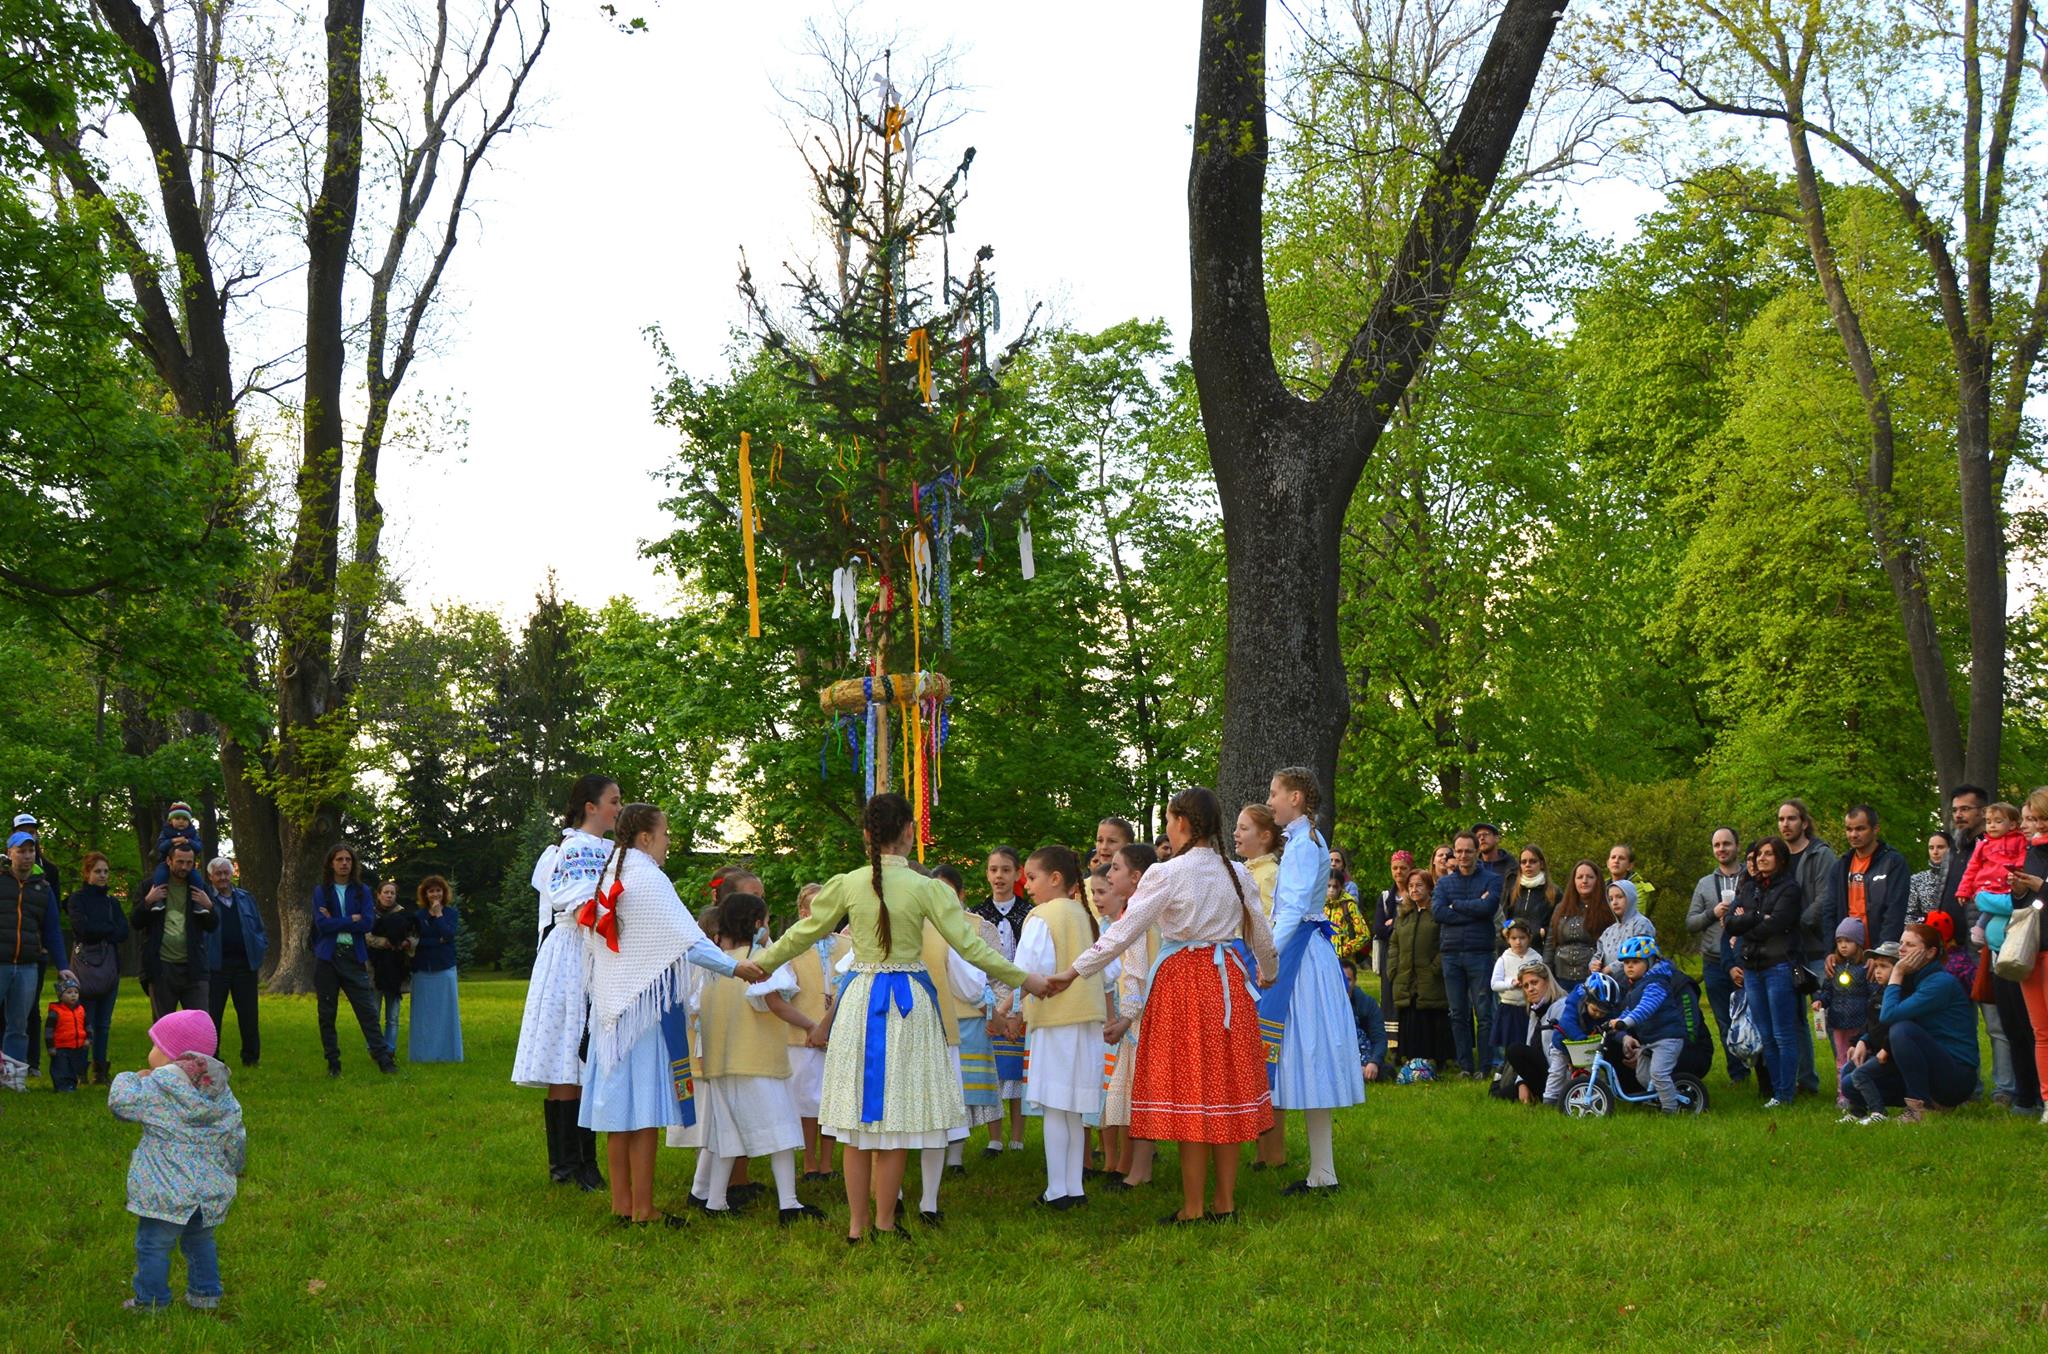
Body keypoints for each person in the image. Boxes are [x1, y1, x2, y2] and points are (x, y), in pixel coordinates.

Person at [751, 794, 1051, 1242]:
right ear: (909, 832)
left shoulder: (849, 883)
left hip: (859, 1001)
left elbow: (803, 932)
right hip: (909, 1002)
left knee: (855, 1124)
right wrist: (1027, 978)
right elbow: (972, 948)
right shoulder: (926, 887)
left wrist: (760, 962)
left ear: (867, 836)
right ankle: (886, 1223)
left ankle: (857, 1227)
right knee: (895, 1122)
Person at [1052, 786, 1277, 1226]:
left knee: (1193, 1091)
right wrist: (1268, 970)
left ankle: (1193, 1207)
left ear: (1183, 824)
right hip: (1227, 980)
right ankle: (1224, 1203)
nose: (1168, 830)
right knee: (1223, 1091)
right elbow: (1261, 935)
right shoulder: (1237, 873)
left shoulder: (1167, 874)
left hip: (1185, 985)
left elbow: (1123, 931)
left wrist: (1072, 971)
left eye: (1171, 821)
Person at [575, 805, 759, 1226]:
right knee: (642, 1116)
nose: (668, 842)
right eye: (665, 835)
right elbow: (687, 940)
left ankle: (622, 1204)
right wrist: (736, 966)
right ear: (644, 838)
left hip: (613, 1010)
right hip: (643, 1011)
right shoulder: (649, 878)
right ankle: (644, 1209)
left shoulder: (611, 873)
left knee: (619, 1115)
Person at [691, 882, 823, 1224]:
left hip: (720, 1065)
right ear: (756, 924)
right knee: (782, 1132)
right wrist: (810, 1025)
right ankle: (789, 1204)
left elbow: (696, 1011)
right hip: (759, 1063)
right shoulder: (758, 961)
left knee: (726, 1136)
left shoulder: (714, 966)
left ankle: (715, 1202)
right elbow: (775, 1003)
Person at [513, 774, 621, 1191]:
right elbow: (579, 906)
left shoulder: (613, 851)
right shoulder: (572, 849)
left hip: (601, 950)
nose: (618, 807)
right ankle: (565, 1165)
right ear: (590, 807)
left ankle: (586, 1161)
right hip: (575, 952)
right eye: (613, 800)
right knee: (568, 1049)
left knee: (589, 1055)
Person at [1259, 767, 1364, 1195]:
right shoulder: (1306, 841)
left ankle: (1324, 1171)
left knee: (1307, 1053)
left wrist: (1268, 957)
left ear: (1296, 798)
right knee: (1307, 1056)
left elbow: (1296, 908)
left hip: (1299, 956)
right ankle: (1323, 1169)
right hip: (1305, 952)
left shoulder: (1304, 844)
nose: (1270, 801)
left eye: (1274, 794)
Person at [111, 1010, 244, 1313]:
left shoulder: (158, 1088)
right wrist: (234, 1166)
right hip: (207, 1189)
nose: (150, 1051)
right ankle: (206, 1295)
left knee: (154, 1244)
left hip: (165, 1190)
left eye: (156, 1045)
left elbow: (120, 1104)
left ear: (171, 1055)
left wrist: (131, 1077)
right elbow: (235, 1135)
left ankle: (151, 1302)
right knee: (200, 1241)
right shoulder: (220, 1090)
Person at [1016, 844, 1108, 1210]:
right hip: (1085, 1022)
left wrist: (1007, 1007)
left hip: (1056, 1022)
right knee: (1071, 1109)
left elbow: (1025, 968)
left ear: (1055, 879)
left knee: (1055, 1107)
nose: (1028, 886)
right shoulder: (1085, 917)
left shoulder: (1042, 916)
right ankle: (1073, 1187)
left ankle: (1057, 1189)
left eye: (1033, 877)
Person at [1839, 922, 1980, 1120]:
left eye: (1910, 945)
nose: (1902, 949)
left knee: (1902, 1030)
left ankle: (1918, 1108)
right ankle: (1923, 1102)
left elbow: (1889, 1016)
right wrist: (1865, 1039)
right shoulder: (1914, 979)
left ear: (1930, 953)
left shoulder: (1939, 983)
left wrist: (1896, 972)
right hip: (1925, 1067)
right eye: (1901, 943)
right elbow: (1881, 1020)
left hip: (1955, 1075)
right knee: (1849, 1085)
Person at [1725, 837, 1805, 1108]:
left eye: (1769, 854)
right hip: (1752, 967)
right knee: (1765, 1034)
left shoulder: (1790, 889)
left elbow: (1779, 923)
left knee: (1783, 1034)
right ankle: (1777, 1092)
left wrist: (1748, 922)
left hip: (1778, 965)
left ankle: (1786, 1094)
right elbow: (1730, 923)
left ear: (1781, 858)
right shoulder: (1749, 886)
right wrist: (1759, 917)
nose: (1762, 859)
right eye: (1759, 854)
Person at [1101, 841, 1160, 1189]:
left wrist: (1126, 1017)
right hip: (1142, 1015)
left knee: (1140, 1092)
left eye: (1116, 868)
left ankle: (1139, 1171)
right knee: (1137, 1092)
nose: (1109, 874)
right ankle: (1135, 1166)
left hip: (1140, 1019)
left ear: (1136, 877)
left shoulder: (1139, 914)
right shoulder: (1140, 910)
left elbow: (1136, 972)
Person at [309, 843, 396, 1078]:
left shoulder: (362, 891)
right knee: (327, 1013)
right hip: (327, 957)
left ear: (353, 863)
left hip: (353, 956)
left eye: (348, 859)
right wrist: (351, 919)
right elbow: (322, 925)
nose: (344, 863)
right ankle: (333, 1063)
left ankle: (383, 1059)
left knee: (367, 1010)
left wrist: (338, 919)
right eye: (339, 859)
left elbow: (367, 923)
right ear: (331, 863)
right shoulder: (322, 891)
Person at [972, 845, 1030, 1154]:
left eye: (1006, 870)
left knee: (1016, 1068)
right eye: (994, 870)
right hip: (989, 995)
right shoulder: (977, 916)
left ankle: (1018, 1135)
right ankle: (995, 1137)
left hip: (1022, 994)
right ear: (987, 874)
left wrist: (1017, 1000)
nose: (999, 876)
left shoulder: (1030, 913)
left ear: (1018, 873)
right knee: (992, 1067)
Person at [1431, 831, 1502, 1079]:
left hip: (1480, 954)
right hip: (1451, 954)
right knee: (1458, 1012)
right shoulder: (1443, 884)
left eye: (1468, 851)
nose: (1463, 856)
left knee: (1483, 1013)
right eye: (1458, 851)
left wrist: (1457, 906)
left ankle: (1484, 1066)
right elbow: (1438, 912)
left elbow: (1489, 908)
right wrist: (1474, 907)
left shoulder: (1492, 880)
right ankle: (1465, 1066)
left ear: (1476, 852)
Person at [1997, 787, 2048, 1125]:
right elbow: (2026, 907)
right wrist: (2019, 891)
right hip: (2033, 950)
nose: (2032, 825)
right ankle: (2047, 1100)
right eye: (2029, 818)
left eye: (2039, 818)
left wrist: (2040, 887)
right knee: (2040, 1031)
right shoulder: (2031, 853)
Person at [2, 817, 63, 1078]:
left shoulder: (43, 888)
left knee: (19, 1024)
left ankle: (14, 1079)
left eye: (31, 851)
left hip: (27, 964)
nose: (27, 856)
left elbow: (53, 929)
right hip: (1, 961)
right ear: (10, 854)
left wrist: (63, 966)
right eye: (21, 851)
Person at [1687, 828, 1749, 1082]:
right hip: (1714, 962)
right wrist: (1712, 913)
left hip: (1749, 959)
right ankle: (1738, 1074)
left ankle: (1767, 1074)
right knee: (1725, 1021)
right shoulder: (1704, 883)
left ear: (1737, 846)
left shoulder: (1751, 877)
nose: (1721, 849)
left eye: (1726, 844)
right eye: (1717, 845)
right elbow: (1690, 923)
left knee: (1756, 1018)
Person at [131, 842, 217, 1023]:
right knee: (164, 1028)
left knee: (199, 1025)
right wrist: (148, 901)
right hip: (162, 968)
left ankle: (199, 1053)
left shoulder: (199, 888)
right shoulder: (151, 886)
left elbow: (212, 926)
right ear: (169, 861)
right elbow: (136, 922)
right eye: (180, 862)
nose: (184, 867)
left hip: (194, 968)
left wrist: (209, 906)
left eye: (189, 863)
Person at [1606, 937, 1689, 1113]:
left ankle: (1670, 1109)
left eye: (1635, 962)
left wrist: (1625, 1023)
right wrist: (1615, 1023)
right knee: (1643, 1075)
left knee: (1659, 1074)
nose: (1629, 966)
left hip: (1668, 1038)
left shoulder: (1656, 984)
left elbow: (1645, 1008)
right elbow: (1630, 1009)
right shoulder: (1637, 986)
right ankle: (1660, 1097)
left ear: (1650, 961)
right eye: (1627, 962)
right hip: (1650, 1039)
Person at [66, 853, 129, 1083]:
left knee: (103, 1023)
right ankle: (80, 1068)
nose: (102, 875)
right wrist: (108, 929)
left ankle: (100, 1069)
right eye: (97, 871)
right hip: (86, 970)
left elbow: (124, 931)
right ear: (87, 873)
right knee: (85, 1022)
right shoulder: (77, 899)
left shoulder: (112, 902)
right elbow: (83, 929)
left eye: (105, 871)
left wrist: (103, 929)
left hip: (109, 968)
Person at [202, 859, 266, 1069]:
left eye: (225, 873)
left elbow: (258, 925)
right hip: (216, 966)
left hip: (245, 965)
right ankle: (212, 1057)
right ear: (210, 876)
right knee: (213, 1015)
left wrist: (261, 945)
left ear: (231, 875)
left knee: (249, 1014)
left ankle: (251, 1057)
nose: (222, 877)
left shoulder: (245, 898)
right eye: (218, 874)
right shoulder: (205, 899)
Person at [1386, 870, 1450, 1071]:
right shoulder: (1404, 915)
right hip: (1406, 975)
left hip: (1430, 977)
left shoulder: (1437, 914)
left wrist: (1435, 968)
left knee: (1430, 1015)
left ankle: (1437, 1058)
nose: (1414, 889)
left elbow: (1444, 942)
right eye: (1411, 885)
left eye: (1419, 885)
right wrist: (1393, 969)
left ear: (1429, 887)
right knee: (1410, 1014)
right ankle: (1409, 1056)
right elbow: (1394, 943)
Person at [1829, 806, 1911, 950]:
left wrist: (1881, 952)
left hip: (1880, 951)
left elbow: (1895, 911)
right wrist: (1831, 950)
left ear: (1875, 829)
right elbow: (1830, 910)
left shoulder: (1893, 862)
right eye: (1849, 829)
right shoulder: (1841, 865)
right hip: (1848, 953)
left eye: (1860, 829)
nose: (1853, 835)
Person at [1838, 941, 1899, 1120]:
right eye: (1877, 966)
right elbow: (1871, 1024)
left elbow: (1895, 1025)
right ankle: (1857, 1112)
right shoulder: (1879, 991)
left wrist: (1885, 1048)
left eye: (1884, 967)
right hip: (1874, 1048)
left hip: (1889, 1053)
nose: (1878, 971)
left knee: (1860, 1074)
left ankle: (1878, 1111)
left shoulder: (1899, 993)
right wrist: (1859, 1042)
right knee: (1847, 1070)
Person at [1816, 918, 1870, 1110]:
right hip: (1838, 1021)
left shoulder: (1864, 969)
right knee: (1841, 1059)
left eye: (1848, 941)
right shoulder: (1835, 968)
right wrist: (1820, 1000)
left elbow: (1871, 993)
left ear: (1858, 943)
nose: (1843, 946)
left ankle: (1862, 1094)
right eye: (1839, 942)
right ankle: (1843, 1095)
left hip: (1859, 1020)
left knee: (1859, 1058)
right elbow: (1828, 991)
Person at [408, 877, 463, 1064]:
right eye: (431, 891)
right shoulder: (419, 916)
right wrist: (436, 941)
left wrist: (439, 916)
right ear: (425, 894)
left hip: (444, 967)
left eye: (438, 890)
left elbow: (448, 934)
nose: (435, 894)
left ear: (444, 892)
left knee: (447, 1012)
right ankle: (422, 1055)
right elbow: (416, 942)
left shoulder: (451, 913)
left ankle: (449, 1054)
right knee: (423, 1014)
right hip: (422, 969)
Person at [1500, 962, 1569, 1106]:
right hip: (1540, 1072)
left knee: (1515, 1051)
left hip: (1560, 1075)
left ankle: (1544, 1094)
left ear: (1547, 982)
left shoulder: (1562, 1008)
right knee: (1499, 1092)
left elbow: (1560, 1057)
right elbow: (1530, 1045)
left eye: (1534, 983)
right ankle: (1530, 1092)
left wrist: (1550, 1097)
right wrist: (1522, 1083)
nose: (1530, 989)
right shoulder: (1534, 1010)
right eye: (1526, 986)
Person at [366, 879, 417, 1053]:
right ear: (379, 895)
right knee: (373, 1012)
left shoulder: (404, 914)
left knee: (393, 1016)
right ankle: (375, 1048)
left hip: (397, 970)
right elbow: (366, 936)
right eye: (386, 892)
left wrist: (407, 943)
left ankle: (390, 1049)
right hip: (374, 969)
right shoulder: (370, 914)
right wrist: (387, 943)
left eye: (392, 893)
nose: (389, 896)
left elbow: (415, 936)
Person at [1487, 919, 1540, 1077]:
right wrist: (1510, 983)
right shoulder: (1504, 959)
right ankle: (1505, 1072)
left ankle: (1524, 1073)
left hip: (1529, 1008)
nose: (1518, 942)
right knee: (1510, 1044)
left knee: (1527, 1041)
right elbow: (1494, 984)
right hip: (1509, 1008)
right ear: (1507, 939)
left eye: (1522, 938)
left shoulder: (1536, 958)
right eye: (1514, 938)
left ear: (1529, 938)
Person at [1545, 860, 1608, 989]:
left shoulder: (1606, 910)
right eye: (1580, 877)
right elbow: (1550, 944)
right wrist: (1546, 972)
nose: (1584, 881)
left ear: (1598, 881)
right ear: (1573, 881)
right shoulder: (1560, 908)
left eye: (1590, 877)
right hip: (1560, 977)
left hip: (1591, 978)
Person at [1499, 846, 1557, 953]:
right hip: (1512, 950)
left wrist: (1544, 931)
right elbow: (1503, 918)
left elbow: (1559, 923)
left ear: (1542, 864)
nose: (1528, 865)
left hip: (1540, 950)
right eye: (1523, 862)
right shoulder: (1511, 890)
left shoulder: (1554, 892)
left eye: (1533, 861)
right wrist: (1505, 930)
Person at [1339, 959, 1388, 1082]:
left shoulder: (1368, 1004)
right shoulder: (1323, 1007)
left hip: (1365, 1057)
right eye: (1341, 980)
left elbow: (1379, 1038)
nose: (1345, 985)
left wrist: (1373, 1062)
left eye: (1348, 980)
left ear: (1355, 981)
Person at [1592, 879, 1655, 975]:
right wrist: (1594, 964)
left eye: (1619, 897)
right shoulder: (1609, 931)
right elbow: (1599, 953)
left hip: (1634, 983)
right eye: (1611, 899)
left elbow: (1641, 955)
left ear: (1630, 897)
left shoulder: (1641, 924)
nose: (1614, 902)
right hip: (1609, 983)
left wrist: (1610, 968)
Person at [1372, 851, 1410, 1001]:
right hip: (1389, 954)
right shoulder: (1385, 897)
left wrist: (1393, 923)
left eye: (1403, 868)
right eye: (1395, 868)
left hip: (1409, 953)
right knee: (1389, 995)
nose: (1398, 872)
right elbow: (1379, 929)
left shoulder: (1416, 894)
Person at [1234, 804, 1282, 918]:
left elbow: (1267, 918)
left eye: (1243, 828)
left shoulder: (1270, 874)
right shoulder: (1244, 870)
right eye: (1237, 828)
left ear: (1265, 837)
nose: (1236, 833)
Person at [44, 974, 89, 1091]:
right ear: (60, 996)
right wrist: (50, 1047)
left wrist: (89, 1039)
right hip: (60, 1046)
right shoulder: (56, 1012)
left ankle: (71, 1085)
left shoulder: (81, 1010)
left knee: (74, 1067)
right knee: (61, 1067)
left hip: (77, 1046)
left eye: (76, 992)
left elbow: (87, 1026)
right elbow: (49, 1031)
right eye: (69, 992)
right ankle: (61, 1086)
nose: (73, 995)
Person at [1907, 831, 1952, 928]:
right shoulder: (1917, 879)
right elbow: (1909, 914)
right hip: (1926, 935)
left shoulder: (1962, 877)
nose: (1935, 852)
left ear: (1950, 849)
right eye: (1931, 848)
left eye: (1940, 847)